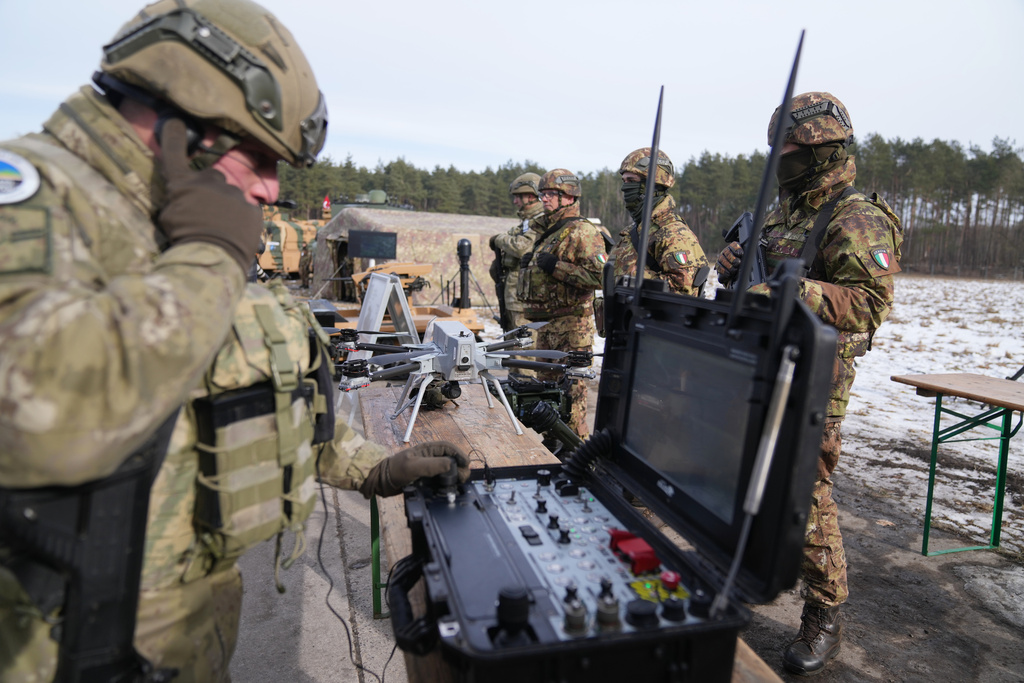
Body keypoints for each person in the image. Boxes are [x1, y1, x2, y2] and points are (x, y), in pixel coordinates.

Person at [0, 1, 467, 681]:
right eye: (256, 154)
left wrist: (373, 467)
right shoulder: (35, 200)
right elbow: (46, 421)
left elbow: (260, 394)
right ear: (169, 118)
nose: (272, 188)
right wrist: (211, 253)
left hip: (194, 630)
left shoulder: (179, 208)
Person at [716, 92, 903, 676]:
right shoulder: (783, 209)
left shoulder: (856, 217)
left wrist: (792, 292)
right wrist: (735, 263)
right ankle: (744, 577)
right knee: (743, 469)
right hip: (761, 359)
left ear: (825, 148)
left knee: (806, 488)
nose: (780, 156)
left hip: (817, 375)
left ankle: (825, 611)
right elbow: (763, 267)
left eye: (790, 147)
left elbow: (868, 305)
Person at [517, 169, 606, 439]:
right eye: (542, 194)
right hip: (546, 326)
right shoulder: (548, 231)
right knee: (546, 392)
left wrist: (558, 267)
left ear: (569, 197)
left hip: (571, 327)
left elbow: (599, 276)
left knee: (572, 397)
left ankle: (577, 450)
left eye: (550, 194)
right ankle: (555, 442)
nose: (544, 199)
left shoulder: (582, 231)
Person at [609, 147, 709, 296]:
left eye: (631, 181)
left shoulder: (673, 233)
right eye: (624, 180)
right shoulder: (634, 231)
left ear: (652, 185)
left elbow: (682, 291)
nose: (624, 187)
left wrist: (630, 278)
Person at [489, 172, 545, 333]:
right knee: (513, 344)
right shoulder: (525, 223)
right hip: (514, 293)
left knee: (523, 349)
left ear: (530, 196)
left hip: (524, 296)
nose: (514, 202)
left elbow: (523, 247)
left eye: (518, 197)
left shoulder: (540, 221)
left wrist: (499, 239)